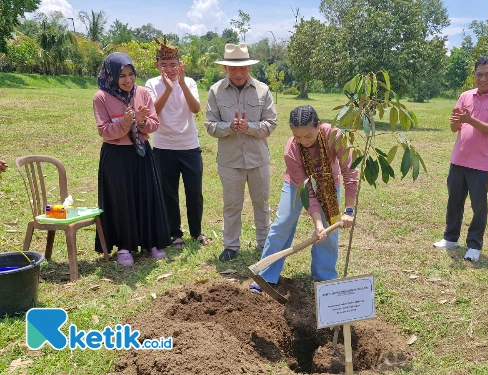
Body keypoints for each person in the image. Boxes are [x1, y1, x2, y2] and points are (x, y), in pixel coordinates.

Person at [249, 105, 358, 292]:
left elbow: (350, 173)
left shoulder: (336, 137)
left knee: (329, 232)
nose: (304, 141)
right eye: (298, 137)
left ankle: (324, 278)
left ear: (318, 125)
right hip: (297, 185)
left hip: (329, 183)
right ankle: (265, 276)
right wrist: (317, 224)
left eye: (308, 136)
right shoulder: (291, 150)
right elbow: (307, 190)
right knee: (281, 225)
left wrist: (348, 210)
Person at [93, 52, 171, 266]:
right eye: (122, 76)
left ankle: (151, 243)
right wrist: (127, 122)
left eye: (131, 74)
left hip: (142, 154)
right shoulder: (101, 97)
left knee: (147, 196)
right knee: (121, 200)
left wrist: (143, 122)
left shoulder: (143, 93)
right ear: (111, 77)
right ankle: (124, 247)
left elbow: (154, 124)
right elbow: (105, 131)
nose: (128, 80)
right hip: (116, 157)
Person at [433, 56, 488, 262]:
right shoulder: (465, 95)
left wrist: (470, 119)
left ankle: (474, 246)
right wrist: (457, 121)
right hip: (458, 158)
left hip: (481, 163)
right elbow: (454, 128)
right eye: (479, 74)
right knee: (454, 201)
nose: (483, 79)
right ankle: (451, 238)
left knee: (479, 206)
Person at [205, 43, 277, 262]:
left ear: (249, 68)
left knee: (261, 204)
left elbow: (272, 123)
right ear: (225, 68)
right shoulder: (215, 91)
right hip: (230, 162)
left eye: (242, 68)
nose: (238, 73)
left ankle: (264, 244)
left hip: (258, 160)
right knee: (232, 205)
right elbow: (209, 125)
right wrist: (230, 127)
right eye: (232, 68)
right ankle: (231, 246)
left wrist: (250, 128)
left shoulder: (263, 90)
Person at [145, 36, 211, 250]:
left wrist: (181, 84)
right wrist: (167, 88)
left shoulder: (189, 82)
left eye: (173, 65)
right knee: (168, 193)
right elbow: (153, 111)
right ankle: (175, 234)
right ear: (157, 66)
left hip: (189, 145)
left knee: (194, 192)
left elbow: (196, 109)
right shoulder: (151, 85)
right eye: (163, 65)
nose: (169, 69)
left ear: (180, 65)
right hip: (163, 147)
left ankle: (196, 231)